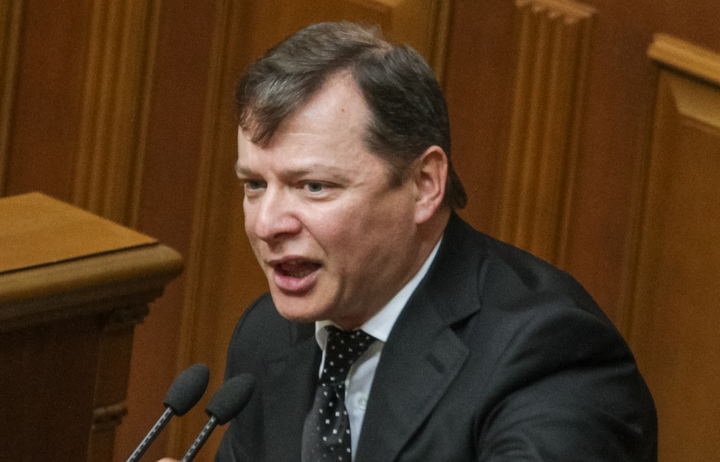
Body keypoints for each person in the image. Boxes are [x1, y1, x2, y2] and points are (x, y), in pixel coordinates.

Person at [164, 20, 657, 461]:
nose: (266, 224)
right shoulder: (268, 336)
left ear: (424, 185)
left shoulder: (547, 355)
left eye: (314, 186)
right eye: (254, 184)